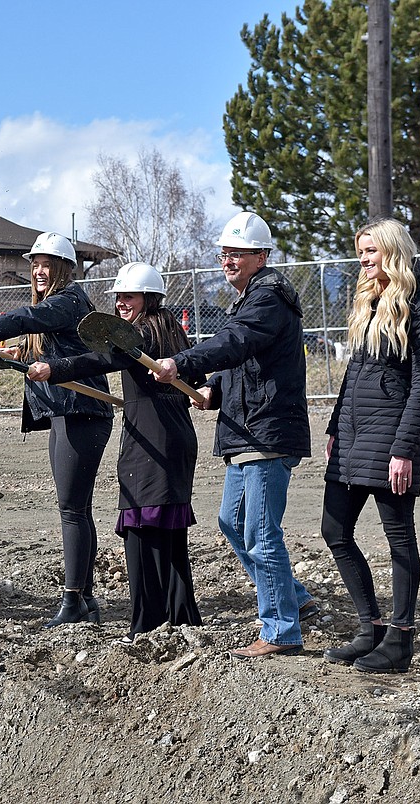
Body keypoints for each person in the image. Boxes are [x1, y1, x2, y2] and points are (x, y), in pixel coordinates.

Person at [152, 211, 317, 658]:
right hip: (245, 430)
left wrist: (182, 363)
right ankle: (294, 598)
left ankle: (281, 630)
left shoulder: (267, 299)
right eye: (225, 253)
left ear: (261, 256)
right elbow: (243, 361)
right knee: (232, 521)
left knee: (262, 534)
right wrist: (214, 390)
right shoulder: (248, 299)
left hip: (266, 432)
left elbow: (238, 341)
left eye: (238, 254)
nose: (229, 261)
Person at [27, 262, 203, 640]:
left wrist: (54, 369)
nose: (122, 304)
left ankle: (147, 625)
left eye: (129, 296)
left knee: (142, 533)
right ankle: (182, 618)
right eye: (119, 297)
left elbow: (102, 359)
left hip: (150, 440)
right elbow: (197, 376)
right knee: (169, 535)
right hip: (177, 435)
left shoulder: (139, 334)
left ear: (148, 298)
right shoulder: (170, 328)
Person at [0, 231, 113, 628]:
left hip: (82, 412)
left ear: (63, 269)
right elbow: (21, 334)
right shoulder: (51, 311)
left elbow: (24, 318)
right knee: (76, 508)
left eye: (47, 265)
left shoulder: (68, 302)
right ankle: (86, 598)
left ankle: (74, 601)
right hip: (70, 413)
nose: (40, 271)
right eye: (36, 265)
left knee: (71, 510)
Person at [319, 218, 420, 673]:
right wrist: (334, 425)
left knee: (399, 538)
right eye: (360, 253)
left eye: (370, 251)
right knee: (334, 530)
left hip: (393, 440)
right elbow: (354, 374)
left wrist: (405, 448)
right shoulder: (369, 303)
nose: (364, 261)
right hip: (352, 438)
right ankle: (368, 627)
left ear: (393, 251)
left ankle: (401, 638)